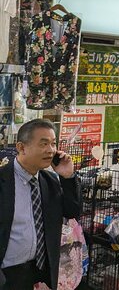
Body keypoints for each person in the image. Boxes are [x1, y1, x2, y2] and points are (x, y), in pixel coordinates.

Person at [0, 119, 82, 290]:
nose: (51, 150)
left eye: (53, 143)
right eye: (43, 144)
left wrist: (67, 178)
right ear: (21, 147)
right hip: (7, 274)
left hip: (41, 271)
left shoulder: (50, 181)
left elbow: (72, 212)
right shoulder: (3, 181)